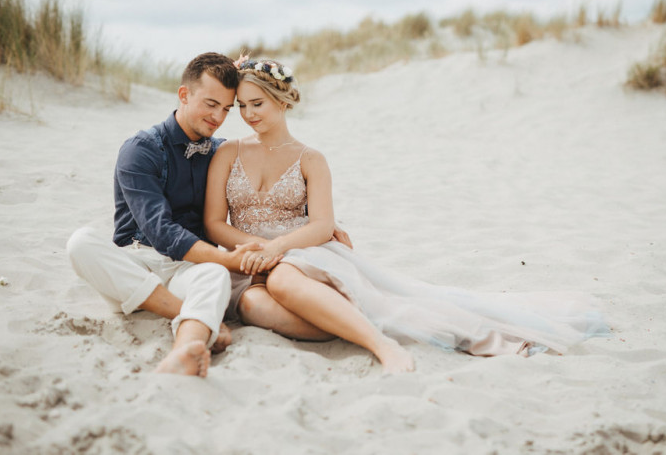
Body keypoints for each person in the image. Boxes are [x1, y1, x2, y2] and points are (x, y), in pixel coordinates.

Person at [204, 59, 610, 374]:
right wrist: (254, 248)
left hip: (302, 253)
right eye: (241, 106)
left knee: (286, 280)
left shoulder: (312, 159)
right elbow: (214, 223)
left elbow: (322, 226)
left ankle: (382, 345)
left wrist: (277, 249)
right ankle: (349, 319)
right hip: (244, 258)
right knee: (257, 309)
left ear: (283, 100)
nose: (248, 114)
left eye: (256, 104)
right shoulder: (228, 152)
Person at [66, 53, 259, 378]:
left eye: (226, 109)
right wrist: (231, 259)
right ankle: (191, 316)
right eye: (210, 104)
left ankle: (183, 353)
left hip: (187, 271)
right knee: (80, 243)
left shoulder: (219, 152)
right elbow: (161, 232)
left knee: (215, 276)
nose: (218, 117)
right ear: (184, 95)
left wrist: (318, 217)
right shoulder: (140, 149)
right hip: (134, 268)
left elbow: (271, 166)